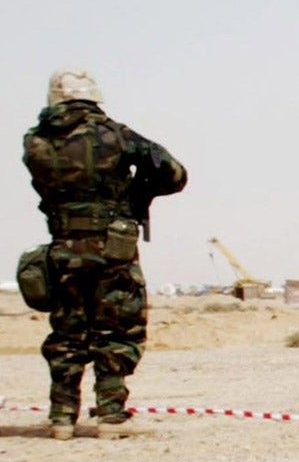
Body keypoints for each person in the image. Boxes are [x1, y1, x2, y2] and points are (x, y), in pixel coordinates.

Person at [23, 70, 187, 440]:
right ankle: (110, 414)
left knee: (67, 330)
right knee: (116, 326)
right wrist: (137, 189)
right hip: (111, 248)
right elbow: (174, 173)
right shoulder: (114, 134)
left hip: (63, 246)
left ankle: (62, 415)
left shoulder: (34, 141)